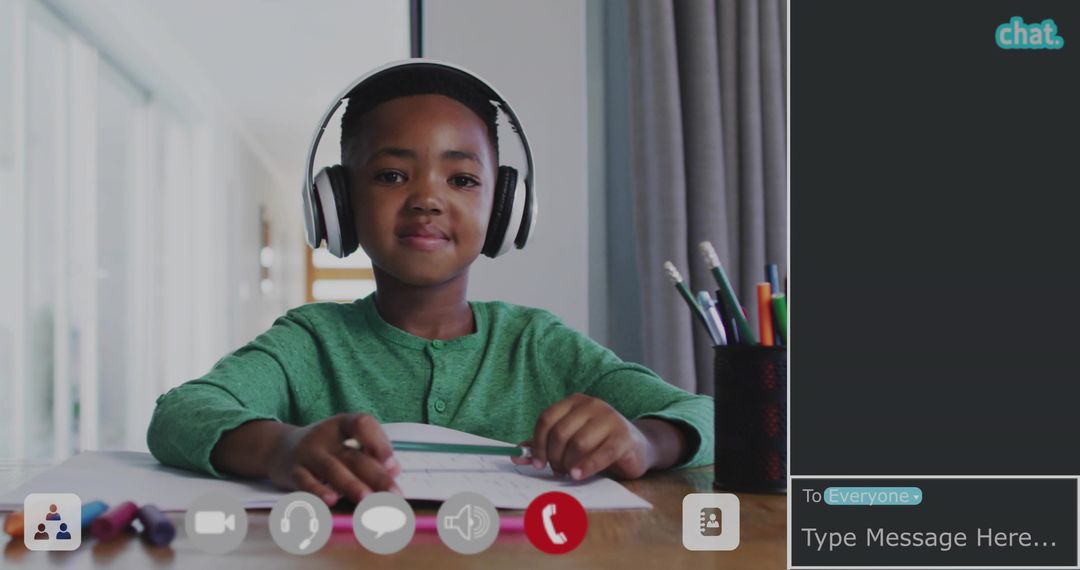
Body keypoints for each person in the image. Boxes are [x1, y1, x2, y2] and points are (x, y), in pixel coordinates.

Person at [147, 61, 713, 506]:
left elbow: (708, 415)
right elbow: (180, 413)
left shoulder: (540, 345)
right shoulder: (310, 341)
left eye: (462, 178)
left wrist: (644, 441)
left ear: (503, 209)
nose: (427, 198)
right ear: (338, 203)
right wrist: (281, 447)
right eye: (392, 175)